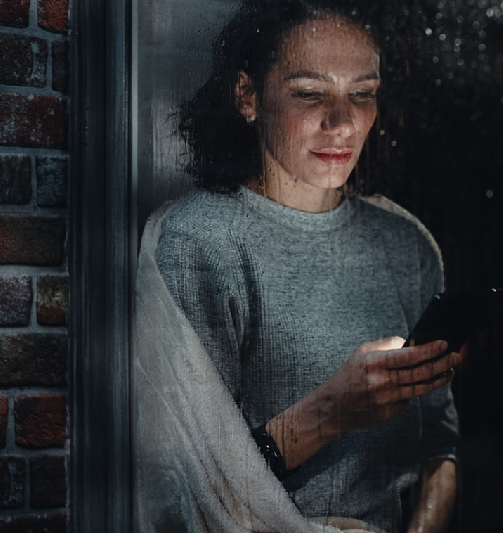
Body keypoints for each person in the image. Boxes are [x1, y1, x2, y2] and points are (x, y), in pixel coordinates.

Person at [136, 1, 461, 532]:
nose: (342, 121)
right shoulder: (200, 243)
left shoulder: (405, 245)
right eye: (309, 93)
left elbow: (440, 452)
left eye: (362, 94)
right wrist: (329, 412)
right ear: (248, 96)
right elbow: (184, 489)